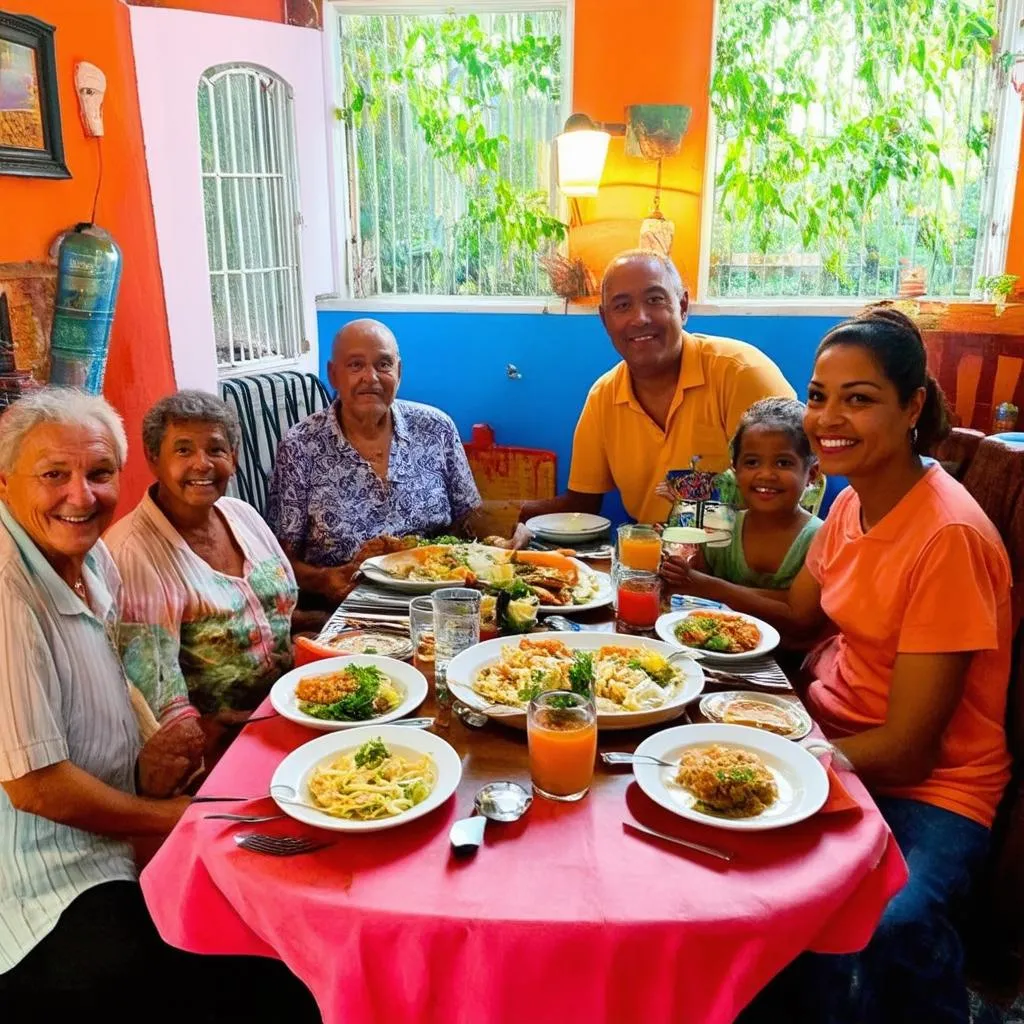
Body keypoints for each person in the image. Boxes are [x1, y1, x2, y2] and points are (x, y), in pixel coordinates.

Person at [730, 306, 1012, 1024]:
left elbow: (910, 748)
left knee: (887, 922)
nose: (829, 418)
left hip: (935, 789)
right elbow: (799, 614)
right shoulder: (854, 501)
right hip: (831, 730)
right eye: (819, 395)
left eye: (860, 399)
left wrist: (773, 761)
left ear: (914, 406)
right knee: (736, 877)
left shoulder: (946, 536)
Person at [519, 250, 795, 526]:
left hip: (747, 559)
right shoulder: (603, 397)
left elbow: (798, 496)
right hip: (651, 559)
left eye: (655, 300)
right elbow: (583, 503)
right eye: (622, 306)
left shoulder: (742, 373)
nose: (640, 318)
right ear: (605, 321)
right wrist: (512, 516)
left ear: (683, 306)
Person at [107, 391, 297, 778]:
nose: (202, 464)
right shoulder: (133, 551)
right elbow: (157, 691)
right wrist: (209, 745)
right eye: (182, 450)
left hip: (289, 707)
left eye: (216, 449)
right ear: (153, 459)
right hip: (222, 747)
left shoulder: (241, 514)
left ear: (235, 457)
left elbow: (280, 610)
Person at [267, 318, 483, 604]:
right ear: (333, 374)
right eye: (355, 365)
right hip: (347, 603)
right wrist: (324, 580)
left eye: (383, 365)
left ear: (399, 371)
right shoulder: (301, 446)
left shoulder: (436, 428)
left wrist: (507, 539)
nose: (371, 378)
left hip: (437, 596)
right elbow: (278, 562)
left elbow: (469, 520)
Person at [660, 397, 822, 609]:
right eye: (752, 462)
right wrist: (676, 570)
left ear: (811, 473)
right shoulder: (719, 527)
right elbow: (689, 592)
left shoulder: (819, 539)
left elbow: (802, 614)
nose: (765, 474)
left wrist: (710, 586)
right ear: (735, 470)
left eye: (783, 463)